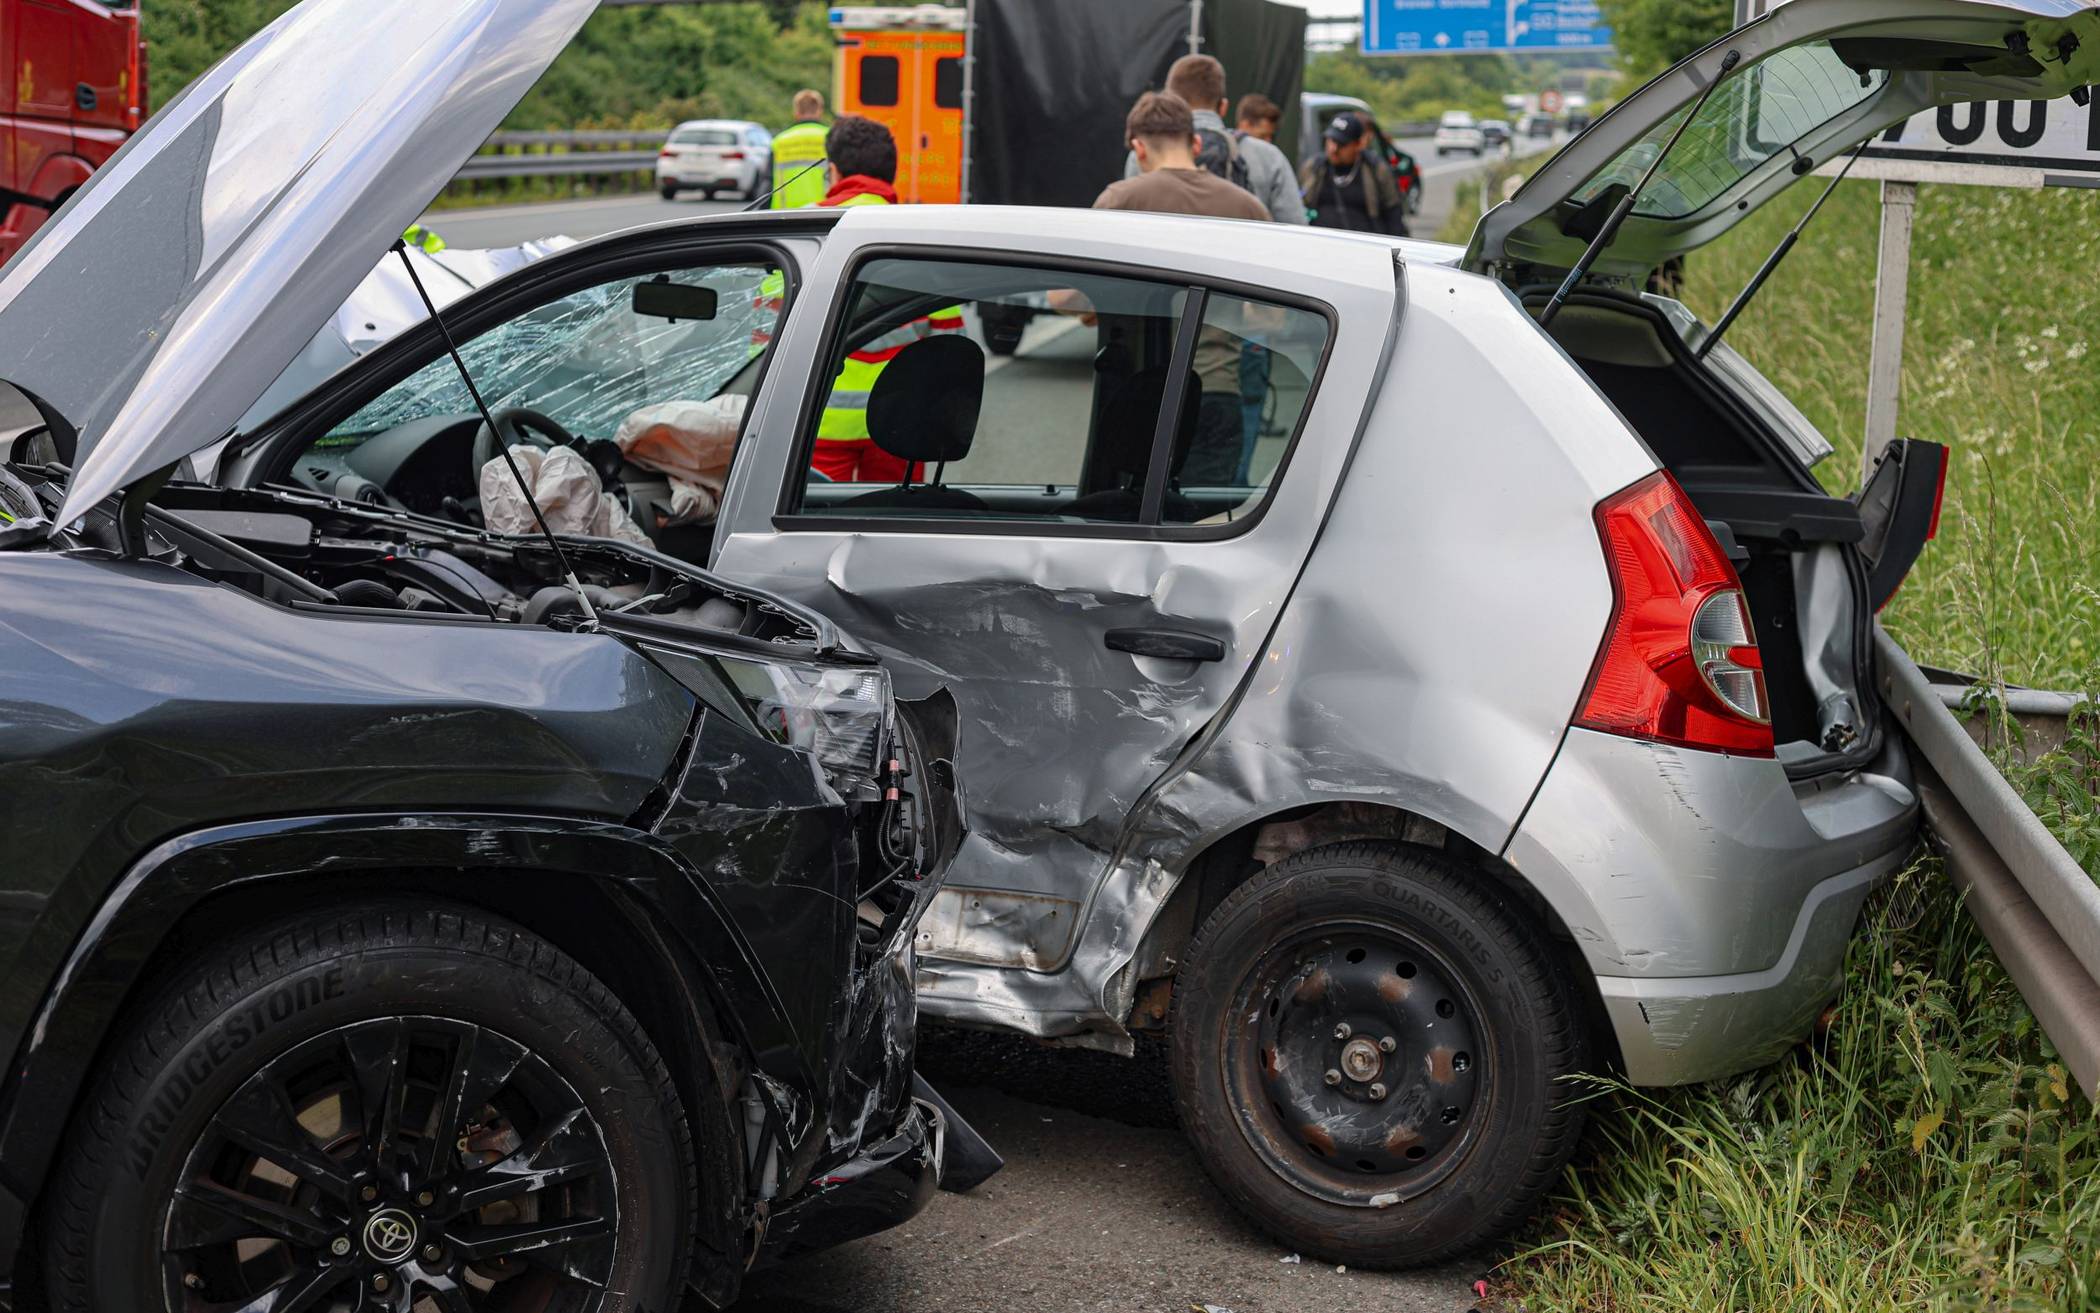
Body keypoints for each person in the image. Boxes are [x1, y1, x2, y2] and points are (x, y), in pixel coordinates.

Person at [1095, 92, 1263, 489]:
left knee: (1132, 509)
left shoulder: (1120, 200)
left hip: (1142, 393)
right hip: (1218, 390)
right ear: (1196, 143)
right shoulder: (1247, 207)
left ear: (1138, 148)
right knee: (1206, 514)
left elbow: (1072, 302)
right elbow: (1271, 317)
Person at [809, 115, 965, 482]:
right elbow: (951, 342)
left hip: (814, 423)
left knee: (812, 516)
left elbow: (765, 343)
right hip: (899, 425)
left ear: (833, 170)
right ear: (891, 173)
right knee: (888, 515)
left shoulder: (805, 231)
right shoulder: (923, 239)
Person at [1122, 55, 1306, 225]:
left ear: (1170, 103)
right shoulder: (1269, 157)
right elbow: (1295, 228)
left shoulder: (1143, 153)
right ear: (1223, 107)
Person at [1300, 112, 1406, 237]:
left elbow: (1394, 214)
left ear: (1358, 144)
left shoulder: (1376, 169)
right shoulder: (1314, 167)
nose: (1333, 149)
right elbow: (1298, 206)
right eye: (1330, 140)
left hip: (1365, 244)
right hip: (1319, 243)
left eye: (1341, 144)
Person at [768, 88, 829, 210]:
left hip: (784, 215)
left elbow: (767, 183)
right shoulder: (831, 138)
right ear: (819, 111)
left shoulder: (779, 141)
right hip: (823, 212)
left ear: (796, 112)